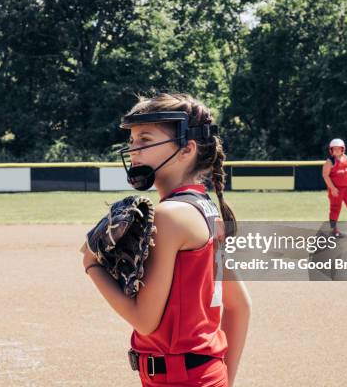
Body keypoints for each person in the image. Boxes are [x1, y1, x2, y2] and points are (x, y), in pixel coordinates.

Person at [80, 93, 251, 386]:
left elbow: (145, 320)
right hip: (204, 376)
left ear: (187, 149)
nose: (134, 150)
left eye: (145, 140)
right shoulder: (204, 208)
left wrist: (90, 263)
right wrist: (224, 378)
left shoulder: (169, 215)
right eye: (132, 141)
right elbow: (240, 306)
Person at [321, 138, 347, 236]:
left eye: (338, 148)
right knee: (335, 208)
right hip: (336, 189)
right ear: (331, 150)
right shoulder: (330, 161)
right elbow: (325, 175)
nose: (336, 150)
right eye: (334, 149)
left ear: (342, 149)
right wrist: (332, 188)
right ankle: (334, 229)